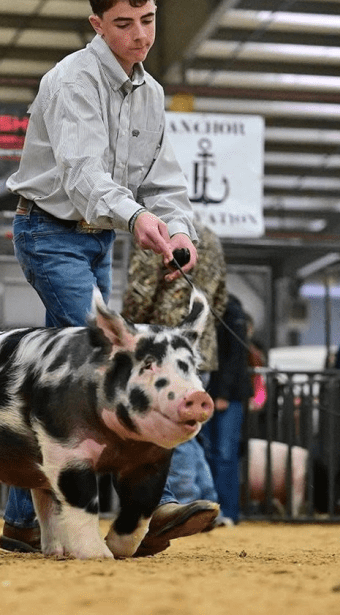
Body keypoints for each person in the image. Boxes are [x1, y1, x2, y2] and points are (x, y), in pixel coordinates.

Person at [3, 0, 212, 557]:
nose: (140, 35)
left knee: (52, 379)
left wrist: (177, 229)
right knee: (109, 358)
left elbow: (166, 183)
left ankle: (22, 519)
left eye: (148, 21)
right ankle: (156, 502)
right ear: (96, 23)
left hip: (95, 239)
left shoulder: (151, 93)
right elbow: (82, 175)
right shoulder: (73, 80)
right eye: (124, 24)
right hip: (48, 231)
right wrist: (140, 220)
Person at [122, 220, 225, 542]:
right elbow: (219, 298)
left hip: (163, 352)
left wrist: (129, 333)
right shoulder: (212, 238)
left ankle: (180, 502)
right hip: (200, 348)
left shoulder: (156, 232)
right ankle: (207, 502)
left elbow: (141, 293)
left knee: (172, 426)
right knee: (192, 430)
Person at [203, 292, 252, 525]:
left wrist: (223, 392)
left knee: (223, 454)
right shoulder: (224, 306)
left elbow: (236, 354)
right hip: (209, 392)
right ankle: (214, 511)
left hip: (225, 394)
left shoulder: (231, 309)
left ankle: (229, 512)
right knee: (214, 453)